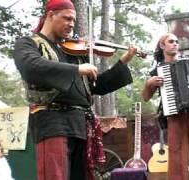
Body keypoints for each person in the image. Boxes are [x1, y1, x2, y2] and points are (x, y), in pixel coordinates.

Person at [13, 0, 137, 179]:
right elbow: (31, 67)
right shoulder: (28, 43)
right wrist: (77, 70)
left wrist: (123, 62)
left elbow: (95, 87)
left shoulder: (74, 52)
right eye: (67, 18)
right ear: (50, 15)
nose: (71, 24)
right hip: (52, 122)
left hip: (80, 125)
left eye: (73, 20)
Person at [141, 33, 189, 180]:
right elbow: (145, 97)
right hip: (175, 118)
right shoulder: (157, 70)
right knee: (177, 163)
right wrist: (149, 83)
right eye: (171, 41)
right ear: (162, 45)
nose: (175, 44)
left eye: (177, 42)